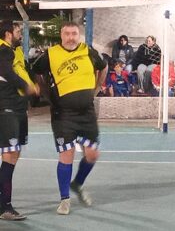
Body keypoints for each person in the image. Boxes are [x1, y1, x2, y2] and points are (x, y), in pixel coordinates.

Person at [32, 21, 108, 215]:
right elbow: (35, 72)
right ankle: (64, 199)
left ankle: (77, 183)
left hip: (87, 113)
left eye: (74, 33)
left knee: (92, 155)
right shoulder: (50, 54)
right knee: (67, 156)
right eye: (67, 34)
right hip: (63, 114)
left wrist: (97, 88)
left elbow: (104, 67)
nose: (71, 37)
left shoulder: (88, 51)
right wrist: (46, 93)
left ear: (78, 35)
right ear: (61, 35)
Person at [0, 20, 39, 221]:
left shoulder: (13, 52)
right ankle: (4, 206)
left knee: (13, 155)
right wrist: (27, 86)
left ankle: (3, 202)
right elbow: (6, 72)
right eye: (17, 31)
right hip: (7, 109)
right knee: (9, 155)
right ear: (8, 34)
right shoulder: (4, 50)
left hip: (17, 107)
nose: (20, 34)